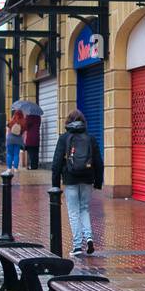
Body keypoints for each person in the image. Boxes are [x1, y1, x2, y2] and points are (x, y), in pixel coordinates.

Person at [50, 109, 103, 258]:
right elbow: (98, 162)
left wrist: (55, 185)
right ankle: (90, 238)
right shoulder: (90, 138)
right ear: (83, 122)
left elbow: (56, 163)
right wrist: (98, 182)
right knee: (84, 209)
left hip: (70, 178)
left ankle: (78, 246)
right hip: (87, 178)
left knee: (73, 212)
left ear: (68, 122)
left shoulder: (64, 138)